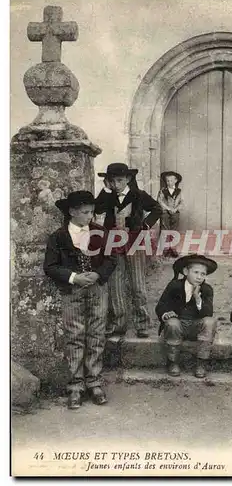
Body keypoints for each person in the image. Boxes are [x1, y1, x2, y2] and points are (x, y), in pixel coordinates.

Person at [43, 191, 117, 409]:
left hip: (97, 290)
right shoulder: (58, 236)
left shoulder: (101, 232)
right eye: (85, 212)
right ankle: (76, 386)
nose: (89, 216)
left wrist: (98, 274)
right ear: (72, 212)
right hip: (72, 292)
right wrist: (74, 277)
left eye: (92, 212)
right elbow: (50, 267)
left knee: (96, 333)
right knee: (74, 335)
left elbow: (112, 259)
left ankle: (94, 382)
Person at [95, 163, 162, 338]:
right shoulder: (107, 196)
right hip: (113, 243)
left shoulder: (138, 195)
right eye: (112, 181)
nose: (116, 184)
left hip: (135, 243)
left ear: (128, 179)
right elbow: (97, 209)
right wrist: (105, 191)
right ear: (107, 182)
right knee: (115, 283)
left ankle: (142, 324)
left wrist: (145, 225)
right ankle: (119, 323)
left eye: (120, 180)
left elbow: (157, 209)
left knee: (137, 284)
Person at [155, 254, 218, 378]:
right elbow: (161, 305)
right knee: (172, 324)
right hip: (178, 325)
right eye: (196, 272)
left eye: (203, 274)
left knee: (210, 322)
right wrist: (167, 313)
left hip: (196, 326)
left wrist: (198, 299)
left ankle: (201, 363)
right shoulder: (174, 286)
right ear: (185, 271)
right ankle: (173, 362)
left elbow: (208, 312)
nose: (199, 277)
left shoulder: (207, 289)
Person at [157, 171, 183, 257]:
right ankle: (166, 248)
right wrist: (168, 208)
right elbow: (160, 201)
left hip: (175, 212)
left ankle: (173, 248)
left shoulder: (179, 191)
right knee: (165, 229)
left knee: (174, 230)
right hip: (165, 212)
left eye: (171, 180)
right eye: (167, 181)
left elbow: (182, 202)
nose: (169, 182)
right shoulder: (162, 191)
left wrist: (175, 209)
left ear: (176, 181)